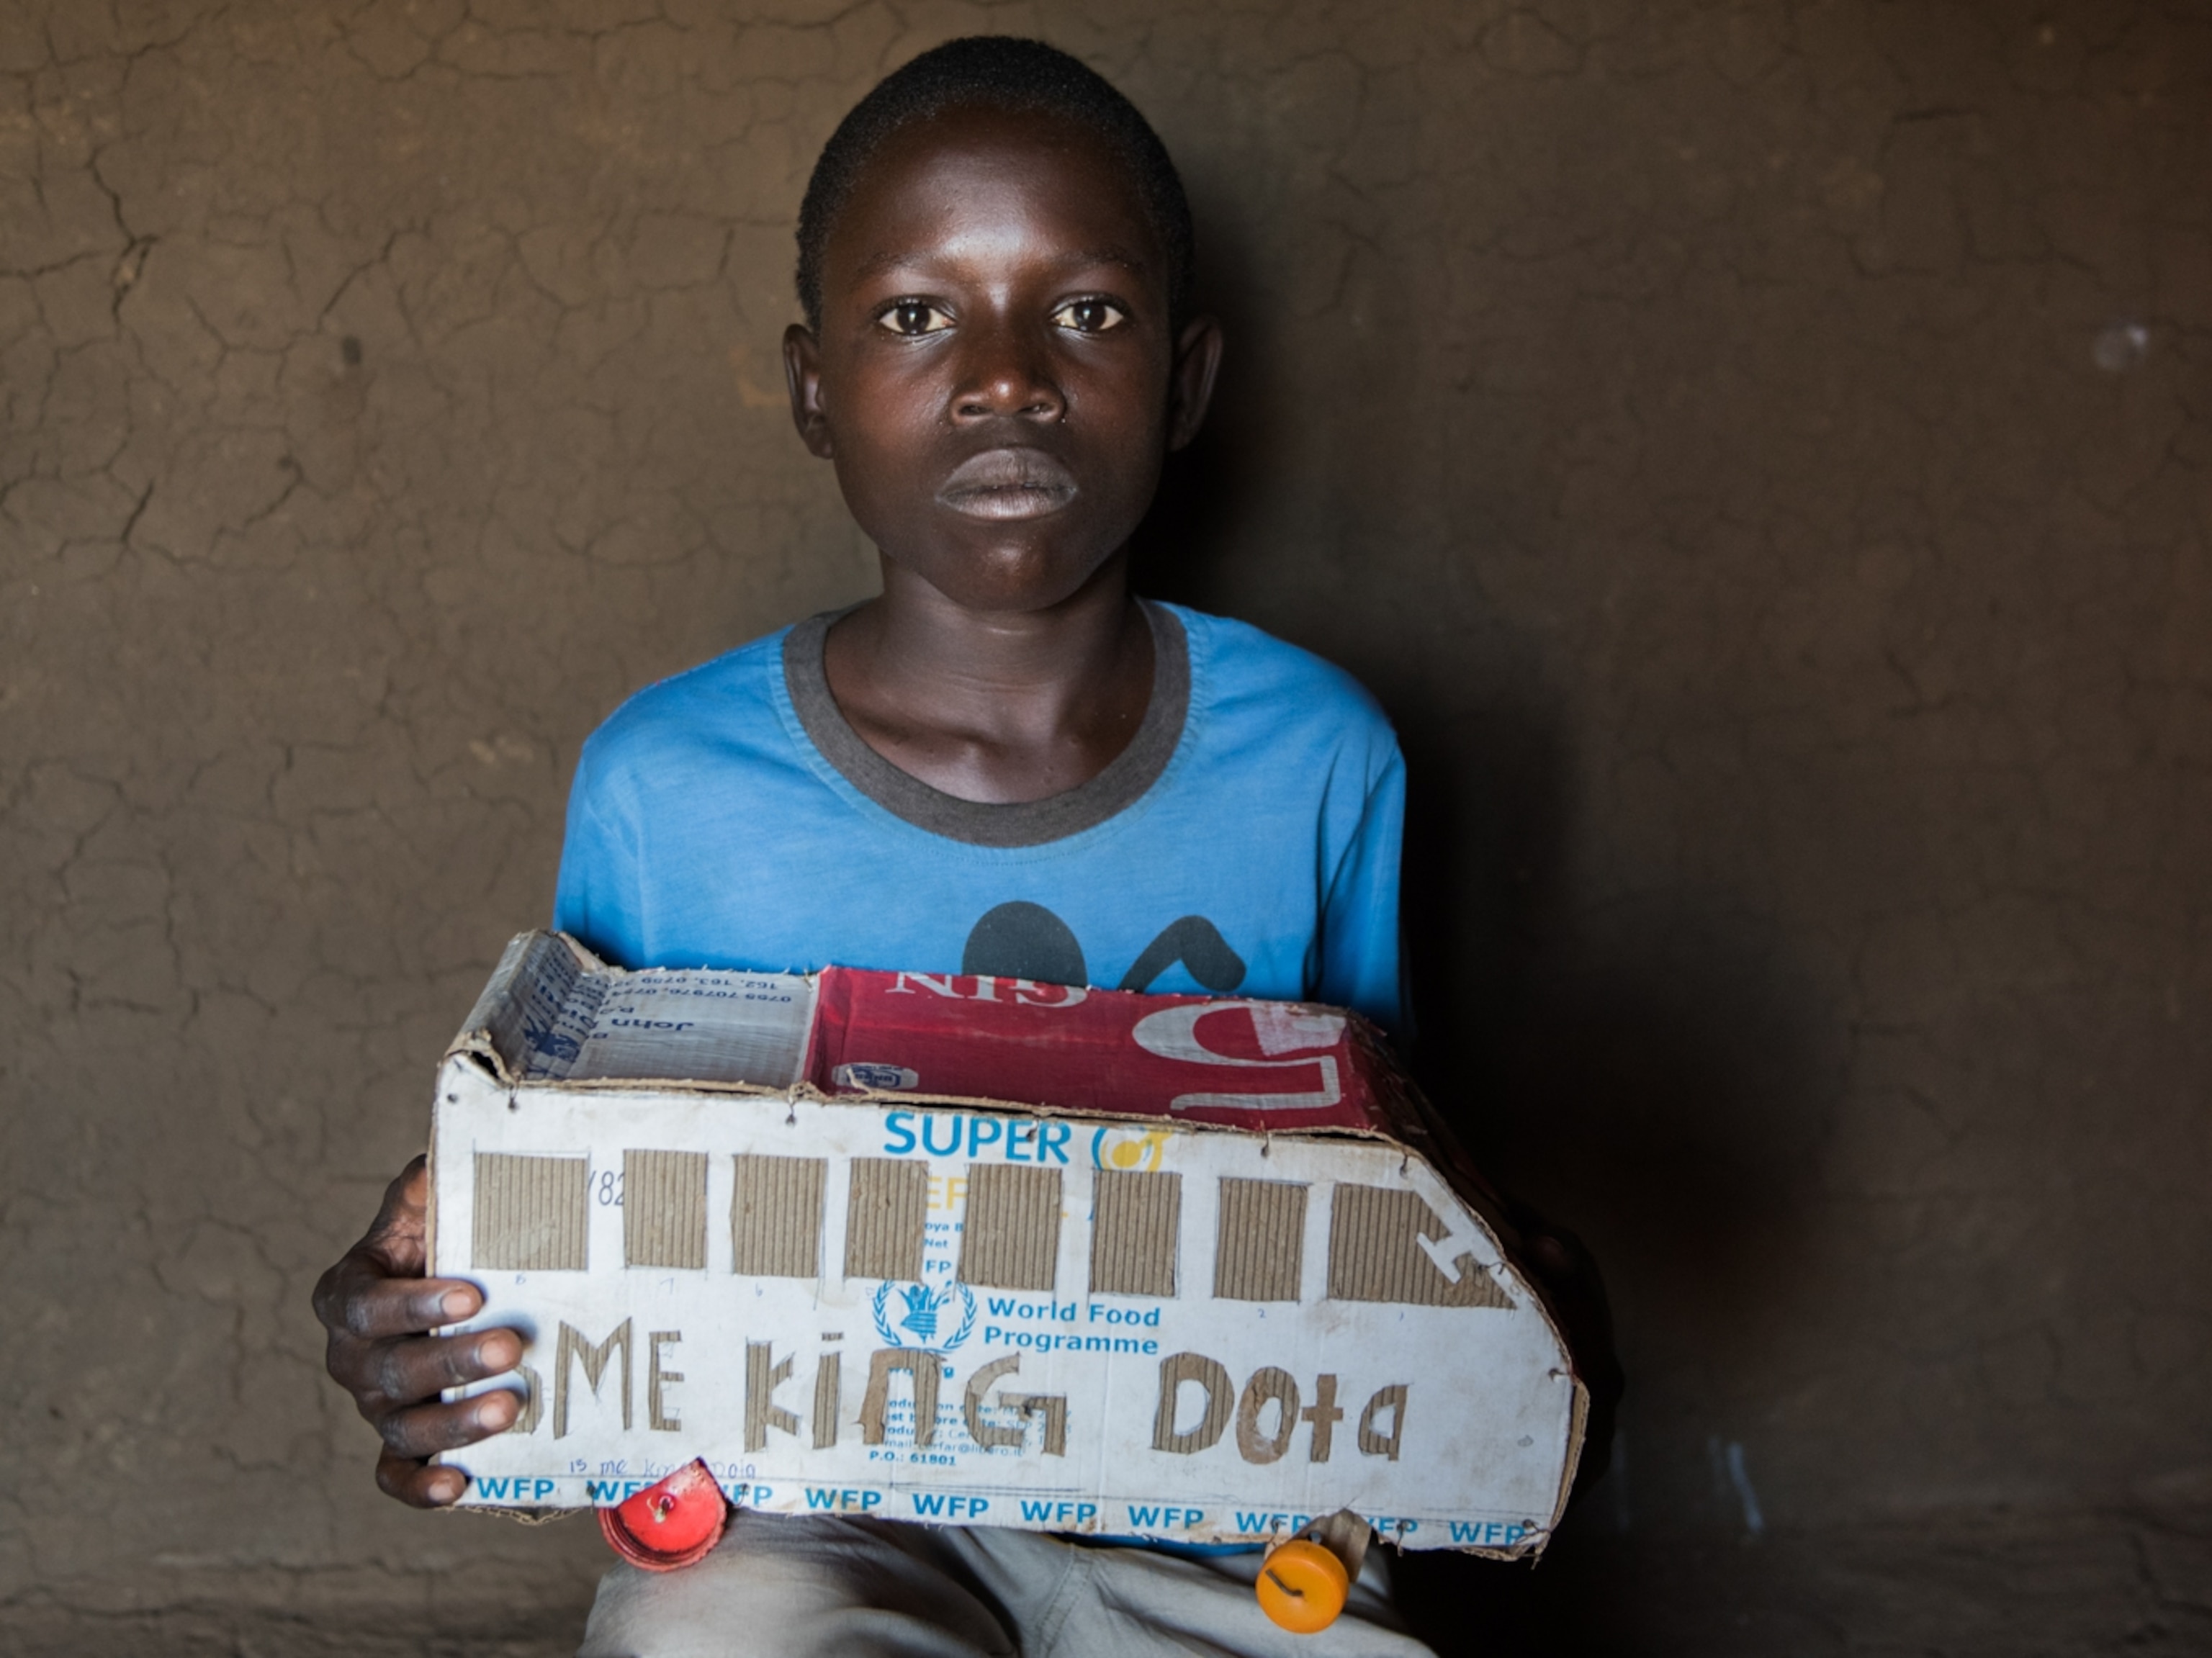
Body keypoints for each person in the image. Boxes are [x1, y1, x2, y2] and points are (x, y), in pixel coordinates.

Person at [316, 36, 1578, 1657]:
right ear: (813, 390)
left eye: (1089, 312)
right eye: (918, 315)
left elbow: (1386, 1191)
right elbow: (570, 1196)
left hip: (1227, 1507)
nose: (1007, 378)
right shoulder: (670, 782)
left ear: (1188, 384)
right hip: (801, 1506)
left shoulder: (1318, 757)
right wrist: (430, 1305)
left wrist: (1528, 1308)